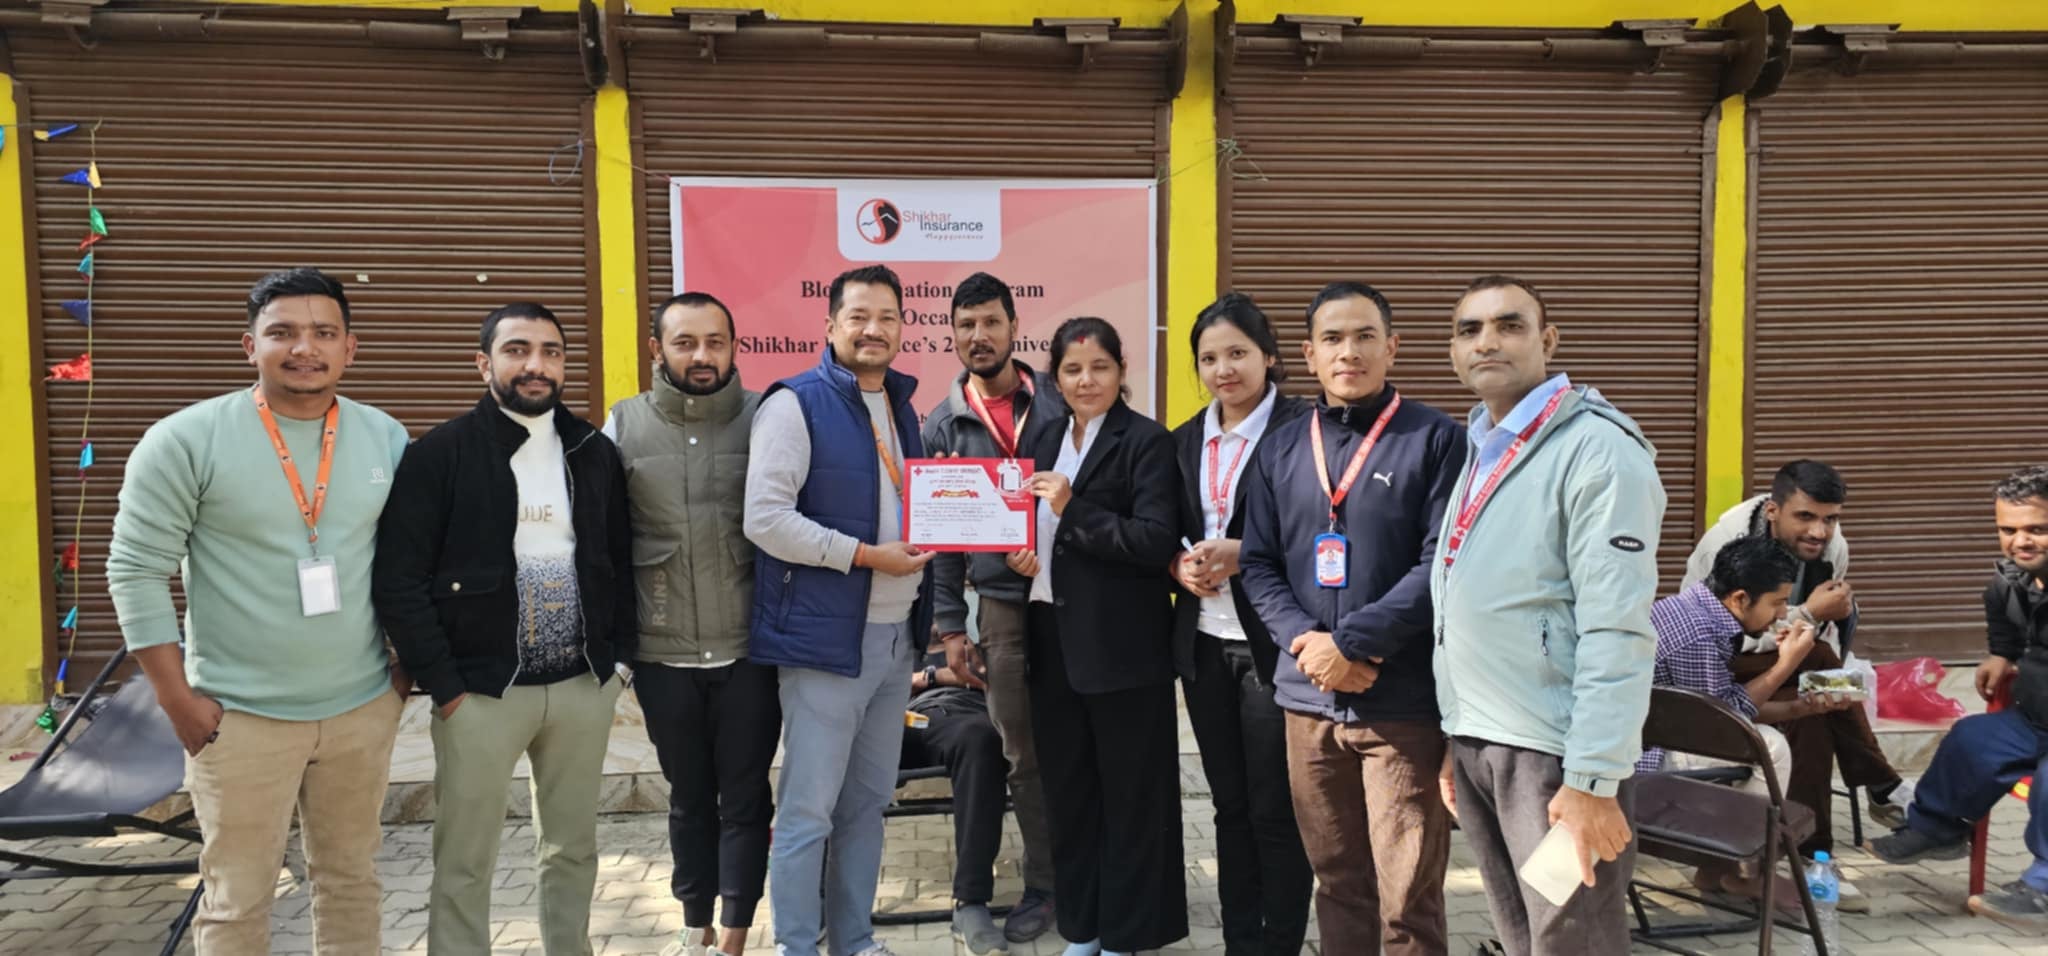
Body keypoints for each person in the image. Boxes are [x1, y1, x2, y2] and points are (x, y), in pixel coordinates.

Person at [106, 268, 411, 954]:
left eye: (323, 333)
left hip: (360, 710)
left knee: (351, 881)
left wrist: (402, 674)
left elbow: (412, 563)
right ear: (251, 346)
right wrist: (178, 702)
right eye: (283, 333)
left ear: (350, 348)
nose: (304, 348)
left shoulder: (385, 438)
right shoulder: (185, 440)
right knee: (238, 901)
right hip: (238, 717)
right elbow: (135, 569)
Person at [374, 302, 635, 955]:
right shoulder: (439, 455)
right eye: (517, 350)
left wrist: (619, 664)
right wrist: (444, 686)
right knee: (466, 858)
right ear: (483, 363)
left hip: (582, 688)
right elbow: (399, 581)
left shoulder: (593, 451)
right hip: (480, 694)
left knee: (573, 849)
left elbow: (621, 560)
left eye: (550, 351)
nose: (535, 365)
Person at [1430, 275, 1665, 956]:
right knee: (1522, 934)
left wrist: (1592, 778)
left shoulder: (1597, 449)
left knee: (1572, 939)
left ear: (1548, 340)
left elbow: (1617, 626)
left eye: (1509, 325)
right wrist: (1456, 732)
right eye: (1469, 329)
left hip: (1554, 757)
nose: (1487, 342)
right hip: (1483, 740)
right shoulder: (1484, 445)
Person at [1236, 282, 1464, 955]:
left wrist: (1354, 644)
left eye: (1365, 336)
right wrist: (1310, 644)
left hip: (1400, 706)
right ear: (1308, 355)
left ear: (1392, 347)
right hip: (1307, 703)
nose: (1349, 352)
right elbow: (1258, 564)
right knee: (1337, 883)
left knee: (1407, 898)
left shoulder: (1437, 440)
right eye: (1332, 339)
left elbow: (1443, 564)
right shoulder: (1279, 448)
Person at [743, 264, 934, 956]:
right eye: (858, 316)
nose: (873, 329)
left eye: (887, 316)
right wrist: (866, 555)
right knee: (807, 812)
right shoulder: (795, 404)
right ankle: (797, 945)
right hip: (825, 645)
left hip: (895, 642)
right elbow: (765, 519)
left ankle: (854, 940)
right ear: (829, 326)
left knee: (867, 806)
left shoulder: (904, 408)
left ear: (903, 327)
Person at [1007, 317, 1186, 956]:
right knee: (1071, 793)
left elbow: (1154, 541)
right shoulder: (1046, 436)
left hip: (1123, 649)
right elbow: (1038, 531)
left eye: (1100, 367)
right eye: (1073, 370)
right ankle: (1083, 929)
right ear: (1055, 378)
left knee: (1131, 798)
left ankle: (1127, 934)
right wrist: (1021, 555)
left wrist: (1072, 508)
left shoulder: (1146, 442)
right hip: (1052, 638)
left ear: (1121, 370)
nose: (1087, 381)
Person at [603, 292, 772, 956]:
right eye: (684, 342)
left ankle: (734, 934)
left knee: (747, 798)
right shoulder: (623, 425)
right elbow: (603, 542)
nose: (702, 355)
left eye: (714, 341)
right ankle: (694, 921)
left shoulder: (766, 417)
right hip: (662, 654)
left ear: (734, 346)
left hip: (750, 654)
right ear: (657, 349)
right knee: (688, 798)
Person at [918, 271, 1063, 944]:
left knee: (1081, 742)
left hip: (1073, 605)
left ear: (1014, 328)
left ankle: (1092, 872)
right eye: (966, 325)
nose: (979, 336)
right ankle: (1045, 886)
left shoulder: (1059, 404)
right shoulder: (942, 423)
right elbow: (942, 542)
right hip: (1001, 610)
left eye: (991, 323)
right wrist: (952, 628)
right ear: (953, 334)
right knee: (1021, 752)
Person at [1683, 460, 1913, 858]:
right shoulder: (1726, 544)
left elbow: (1824, 633)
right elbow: (1719, 633)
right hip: (1717, 664)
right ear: (1774, 511)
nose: (1819, 531)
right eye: (1805, 517)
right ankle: (1882, 785)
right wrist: (1807, 614)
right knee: (1820, 659)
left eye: (1830, 519)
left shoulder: (1832, 548)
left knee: (1815, 712)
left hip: (1788, 657)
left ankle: (1810, 852)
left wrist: (1815, 656)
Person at [1867, 465, 2048, 929]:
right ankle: (1937, 830)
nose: (2021, 541)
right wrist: (2001, 653)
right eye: (2008, 530)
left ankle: (2043, 886)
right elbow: (2003, 614)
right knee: (1969, 739)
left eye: (2037, 529)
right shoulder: (2011, 581)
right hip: (2033, 720)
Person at [1640, 536, 1851, 906]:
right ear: (1740, 598)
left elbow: (1723, 705)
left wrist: (1798, 709)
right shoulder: (1698, 635)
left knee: (1762, 735)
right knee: (1770, 747)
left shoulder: (1694, 609)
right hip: (1645, 759)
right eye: (1777, 602)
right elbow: (1722, 726)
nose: (1783, 614)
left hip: (1669, 733)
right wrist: (1786, 663)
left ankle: (1715, 868)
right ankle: (1743, 871)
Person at [902, 648, 1019, 954]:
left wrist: (928, 676)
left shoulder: (976, 634)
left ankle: (970, 901)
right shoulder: (893, 630)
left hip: (966, 715)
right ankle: (817, 895)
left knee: (982, 739)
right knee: (836, 736)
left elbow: (996, 675)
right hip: (895, 717)